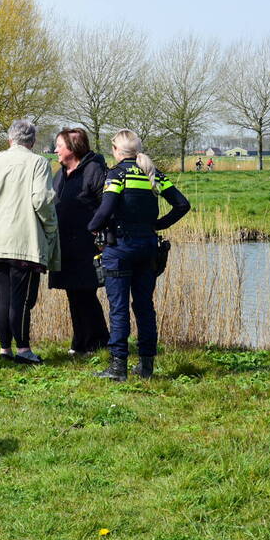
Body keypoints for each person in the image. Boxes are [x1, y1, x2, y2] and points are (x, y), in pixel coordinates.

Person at [88, 129, 190, 381]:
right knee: (144, 306)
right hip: (147, 248)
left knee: (119, 308)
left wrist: (90, 228)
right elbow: (182, 204)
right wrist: (158, 225)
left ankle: (118, 367)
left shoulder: (116, 174)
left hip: (120, 248)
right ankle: (146, 366)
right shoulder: (152, 173)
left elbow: (106, 208)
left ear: (116, 150)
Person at [0, 119, 59, 365]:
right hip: (25, 239)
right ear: (33, 141)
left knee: (3, 297)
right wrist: (51, 226)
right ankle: (23, 349)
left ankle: (5, 349)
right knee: (22, 298)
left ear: (9, 139)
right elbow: (41, 200)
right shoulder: (38, 163)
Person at [48, 128, 109, 357]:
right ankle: (83, 340)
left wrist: (99, 234)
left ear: (72, 148)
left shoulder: (94, 170)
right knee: (73, 293)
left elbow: (106, 205)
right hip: (65, 244)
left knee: (85, 293)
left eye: (59, 146)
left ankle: (96, 341)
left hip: (87, 245)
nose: (55, 150)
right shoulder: (61, 173)